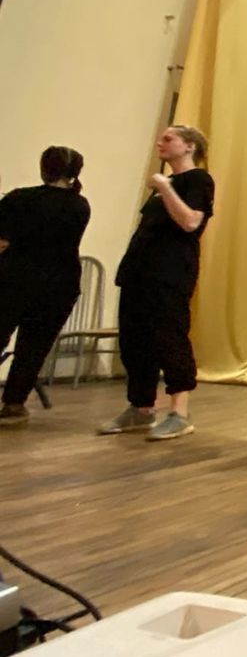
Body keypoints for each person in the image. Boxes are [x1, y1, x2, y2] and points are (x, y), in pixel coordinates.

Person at [99, 126, 215, 441]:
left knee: (169, 338)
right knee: (134, 342)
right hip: (139, 272)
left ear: (189, 146)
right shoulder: (168, 183)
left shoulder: (198, 180)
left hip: (170, 274)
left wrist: (164, 186)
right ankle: (141, 408)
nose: (160, 143)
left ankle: (180, 413)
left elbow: (190, 222)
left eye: (168, 139)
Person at [0, 147, 91, 428]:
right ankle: (14, 405)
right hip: (60, 285)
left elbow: (2, 242)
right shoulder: (80, 205)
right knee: (33, 348)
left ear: (44, 168)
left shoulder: (19, 199)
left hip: (14, 281)